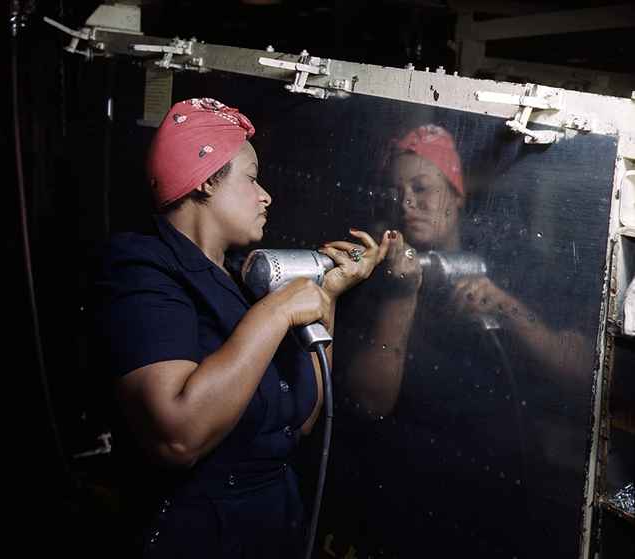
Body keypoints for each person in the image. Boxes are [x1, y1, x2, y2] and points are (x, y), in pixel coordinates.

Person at [92, 97, 391, 558]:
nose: (266, 195)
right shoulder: (142, 269)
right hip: (196, 536)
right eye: (251, 178)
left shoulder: (237, 277)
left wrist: (326, 296)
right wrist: (275, 313)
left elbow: (304, 419)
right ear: (208, 180)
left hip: (272, 523)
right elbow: (177, 436)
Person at [333, 124, 592, 558]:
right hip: (409, 497)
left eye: (422, 187)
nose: (407, 202)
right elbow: (368, 402)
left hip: (506, 494)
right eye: (395, 191)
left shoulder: (511, 260)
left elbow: (585, 376)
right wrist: (401, 296)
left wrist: (508, 309)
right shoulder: (371, 278)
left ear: (456, 195)